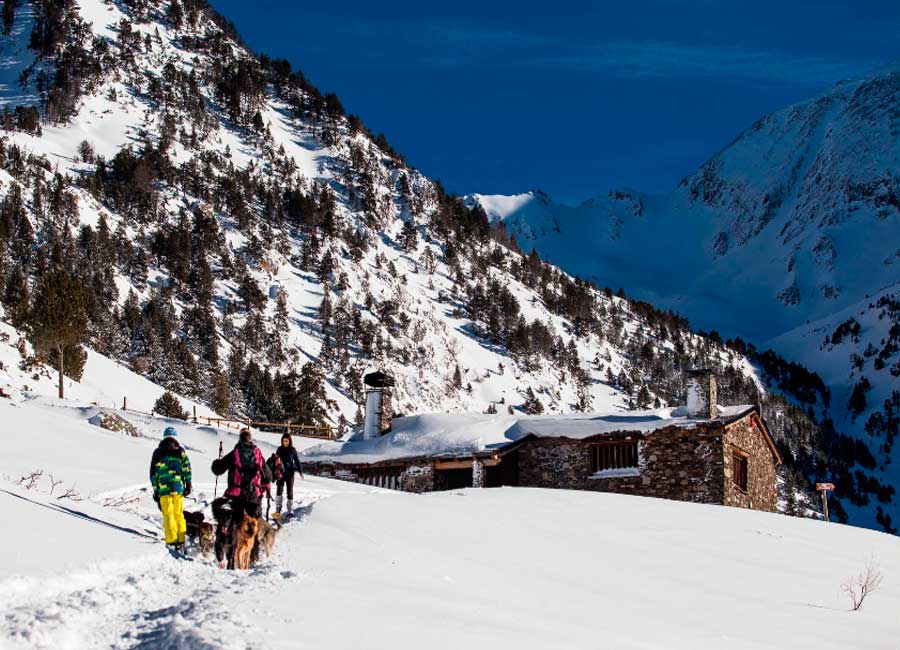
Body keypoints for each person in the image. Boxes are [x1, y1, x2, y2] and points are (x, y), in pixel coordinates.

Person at [211, 428, 271, 519]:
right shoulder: (258, 454)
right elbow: (268, 477)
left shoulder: (234, 454)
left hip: (236, 496)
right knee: (255, 525)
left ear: (240, 438)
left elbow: (218, 469)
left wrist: (216, 462)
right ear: (250, 438)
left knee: (237, 524)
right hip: (254, 495)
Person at [150, 426, 192, 552]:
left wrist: (156, 490)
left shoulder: (157, 453)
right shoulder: (180, 451)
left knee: (168, 514)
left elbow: (153, 473)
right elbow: (186, 468)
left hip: (164, 488)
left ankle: (172, 540)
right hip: (177, 487)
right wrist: (188, 483)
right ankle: (181, 539)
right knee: (179, 513)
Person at [274, 433, 305, 519]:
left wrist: (300, 471)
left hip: (290, 473)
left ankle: (289, 511)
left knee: (289, 491)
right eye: (284, 441)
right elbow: (276, 462)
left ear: (290, 441)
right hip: (281, 474)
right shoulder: (279, 449)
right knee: (279, 491)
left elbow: (297, 461)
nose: (285, 442)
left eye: (287, 441)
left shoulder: (292, 450)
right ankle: (277, 511)